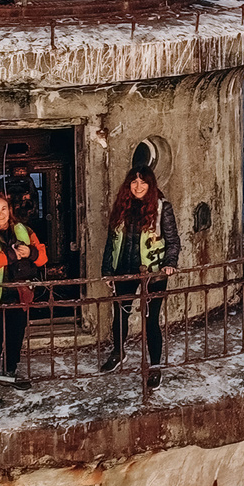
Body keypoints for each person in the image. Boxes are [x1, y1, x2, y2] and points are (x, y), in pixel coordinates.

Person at [99, 161, 180, 375]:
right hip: (124, 269)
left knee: (151, 319)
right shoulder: (121, 206)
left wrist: (170, 264)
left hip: (153, 272)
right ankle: (118, 352)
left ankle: (154, 366)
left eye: (142, 182)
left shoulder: (162, 207)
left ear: (150, 184)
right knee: (120, 314)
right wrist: (107, 270)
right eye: (134, 182)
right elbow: (111, 241)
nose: (138, 186)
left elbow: (173, 240)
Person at [0, 190, 47, 383]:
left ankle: (11, 371)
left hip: (19, 295)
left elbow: (43, 257)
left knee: (15, 336)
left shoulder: (24, 230)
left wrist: (30, 252)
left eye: (4, 208)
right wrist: (9, 256)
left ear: (10, 210)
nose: (1, 214)